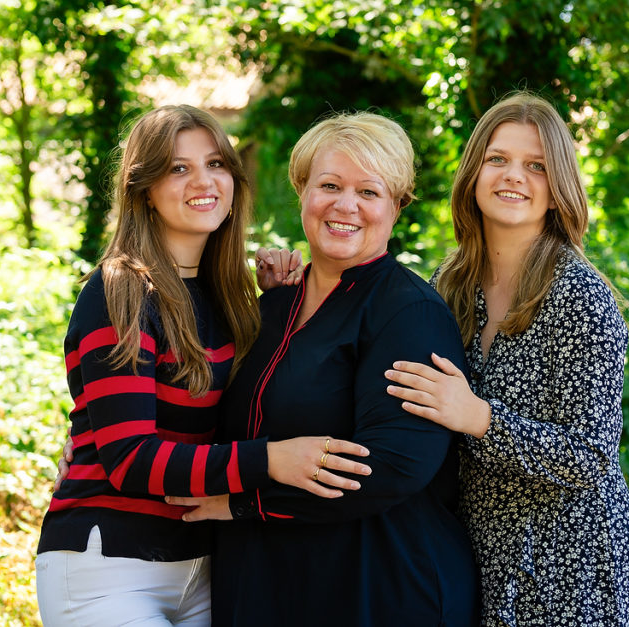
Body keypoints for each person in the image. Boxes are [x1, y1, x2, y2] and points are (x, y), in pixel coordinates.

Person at [34, 104, 371, 627]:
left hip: (206, 563)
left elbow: (250, 413)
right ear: (144, 188)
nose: (204, 180)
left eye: (216, 164)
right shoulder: (119, 289)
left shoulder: (232, 296)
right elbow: (128, 459)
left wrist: (280, 303)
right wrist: (272, 461)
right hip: (109, 565)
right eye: (178, 167)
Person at [168, 111, 479, 626]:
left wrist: (246, 502)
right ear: (302, 192)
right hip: (270, 580)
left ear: (398, 206)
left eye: (369, 192)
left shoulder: (408, 313)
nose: (345, 205)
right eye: (329, 185)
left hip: (375, 588)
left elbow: (395, 465)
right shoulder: (272, 305)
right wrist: (94, 439)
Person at [384, 91, 629, 626]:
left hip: (573, 566)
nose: (513, 176)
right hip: (479, 555)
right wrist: (299, 294)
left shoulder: (579, 297)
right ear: (474, 173)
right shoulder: (450, 283)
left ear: (558, 191)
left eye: (536, 166)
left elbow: (591, 457)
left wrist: (478, 417)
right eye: (498, 159)